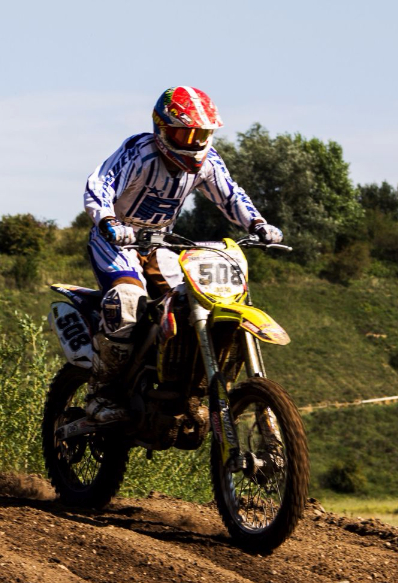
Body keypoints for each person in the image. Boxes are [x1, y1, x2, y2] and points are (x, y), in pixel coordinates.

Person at [82, 86, 283, 424]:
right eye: (185, 134)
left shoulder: (208, 161)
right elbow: (100, 183)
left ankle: (187, 386)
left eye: (201, 134)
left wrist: (258, 223)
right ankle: (100, 393)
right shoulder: (139, 152)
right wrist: (107, 220)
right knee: (128, 301)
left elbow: (231, 195)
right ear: (162, 128)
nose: (193, 143)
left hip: (162, 244)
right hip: (117, 241)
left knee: (197, 302)